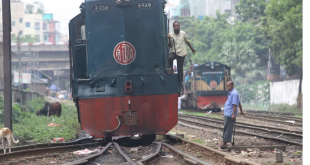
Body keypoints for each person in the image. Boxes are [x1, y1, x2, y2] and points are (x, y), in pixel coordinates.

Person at [167, 21, 195, 92]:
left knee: (180, 68)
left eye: (177, 26)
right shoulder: (170, 34)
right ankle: (171, 69)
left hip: (181, 53)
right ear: (173, 27)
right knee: (170, 58)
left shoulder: (183, 34)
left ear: (179, 26)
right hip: (174, 51)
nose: (176, 27)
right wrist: (169, 39)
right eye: (175, 26)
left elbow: (187, 42)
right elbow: (169, 46)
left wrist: (192, 49)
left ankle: (180, 84)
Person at [220, 81, 245, 149]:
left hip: (230, 114)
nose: (227, 88)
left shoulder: (234, 93)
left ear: (232, 86)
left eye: (229, 86)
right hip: (228, 113)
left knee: (228, 128)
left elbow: (235, 104)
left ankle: (224, 142)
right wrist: (241, 111)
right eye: (227, 86)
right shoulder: (232, 93)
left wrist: (233, 114)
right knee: (227, 127)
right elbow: (239, 102)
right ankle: (225, 141)